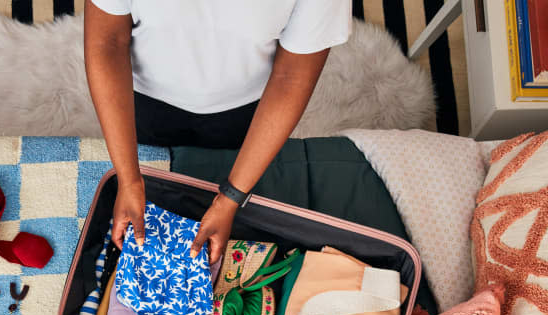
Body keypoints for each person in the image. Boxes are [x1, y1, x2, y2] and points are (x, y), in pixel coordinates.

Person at [84, 0, 352, 261]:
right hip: (142, 99)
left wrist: (231, 198)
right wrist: (128, 177)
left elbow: (292, 76)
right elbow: (107, 41)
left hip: (250, 109)